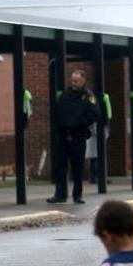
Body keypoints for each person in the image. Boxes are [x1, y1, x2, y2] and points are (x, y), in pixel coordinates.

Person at [49, 69, 100, 205]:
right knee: (60, 166)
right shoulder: (65, 95)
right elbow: (57, 112)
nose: (73, 83)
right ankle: (60, 194)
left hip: (78, 136)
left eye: (76, 81)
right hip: (64, 136)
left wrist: (81, 124)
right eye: (72, 80)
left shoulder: (89, 96)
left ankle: (77, 195)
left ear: (83, 81)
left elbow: (94, 114)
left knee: (77, 167)